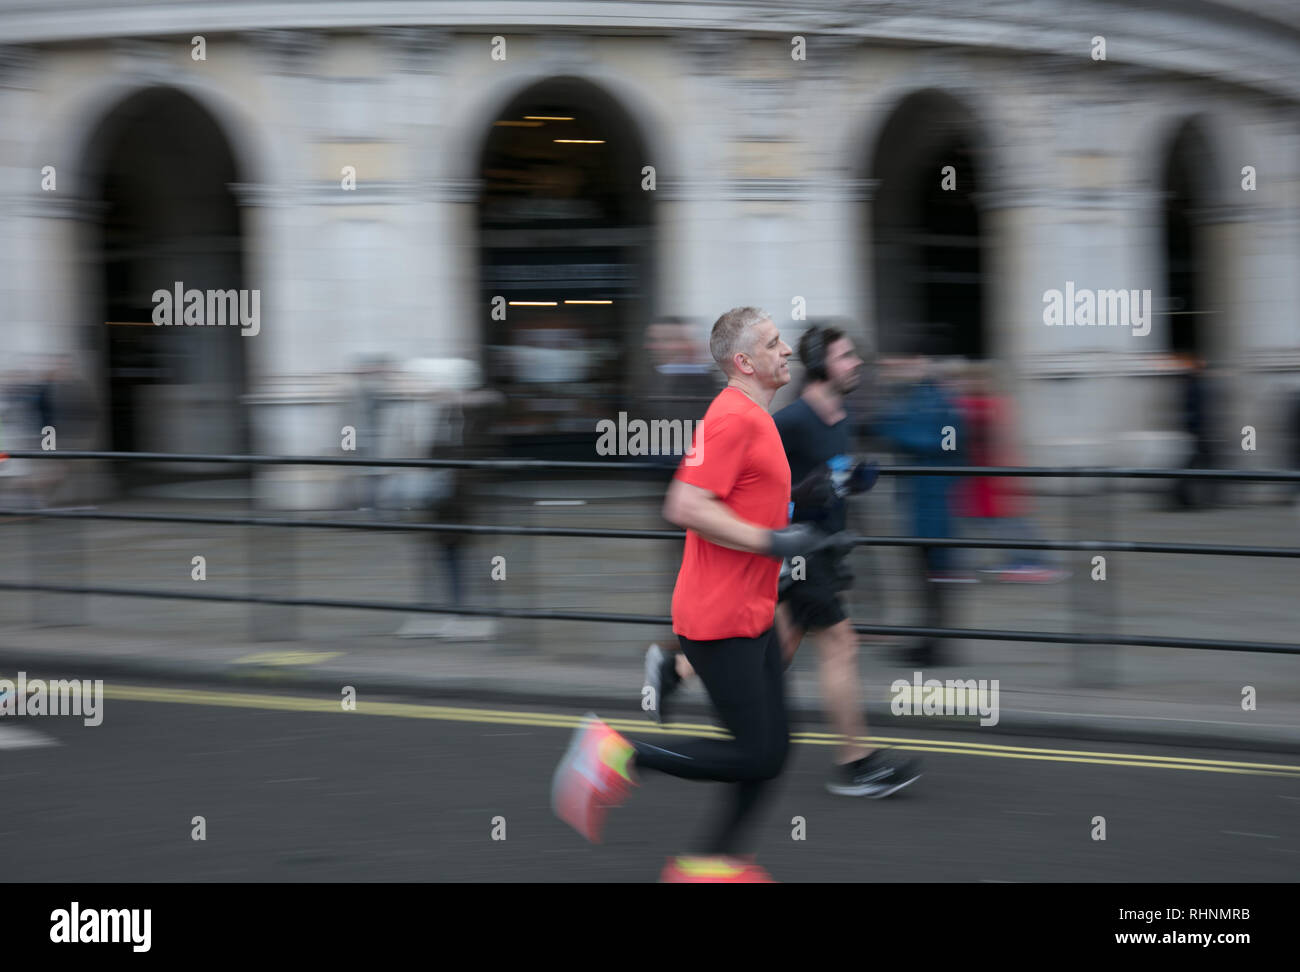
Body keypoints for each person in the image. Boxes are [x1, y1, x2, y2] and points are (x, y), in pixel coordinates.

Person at [550, 306, 851, 883]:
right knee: (758, 752)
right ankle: (618, 755)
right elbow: (684, 505)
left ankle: (713, 864)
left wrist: (811, 500)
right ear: (745, 361)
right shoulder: (733, 417)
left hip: (751, 612)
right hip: (717, 618)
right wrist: (772, 539)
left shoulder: (756, 417)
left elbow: (744, 497)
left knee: (775, 747)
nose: (786, 349)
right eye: (772, 343)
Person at [646, 324, 922, 796]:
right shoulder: (786, 420)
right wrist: (798, 507)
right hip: (795, 552)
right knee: (839, 644)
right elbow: (749, 490)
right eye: (845, 356)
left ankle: (680, 675)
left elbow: (816, 480)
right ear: (820, 365)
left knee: (783, 650)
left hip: (821, 549)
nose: (856, 363)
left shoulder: (841, 415)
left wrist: (847, 484)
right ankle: (854, 763)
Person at [878, 354, 966, 667]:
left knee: (932, 578)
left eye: (904, 363)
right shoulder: (926, 398)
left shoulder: (932, 401)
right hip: (927, 504)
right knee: (928, 579)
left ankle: (934, 647)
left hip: (931, 506)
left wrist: (892, 428)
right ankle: (929, 643)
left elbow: (935, 441)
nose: (897, 368)